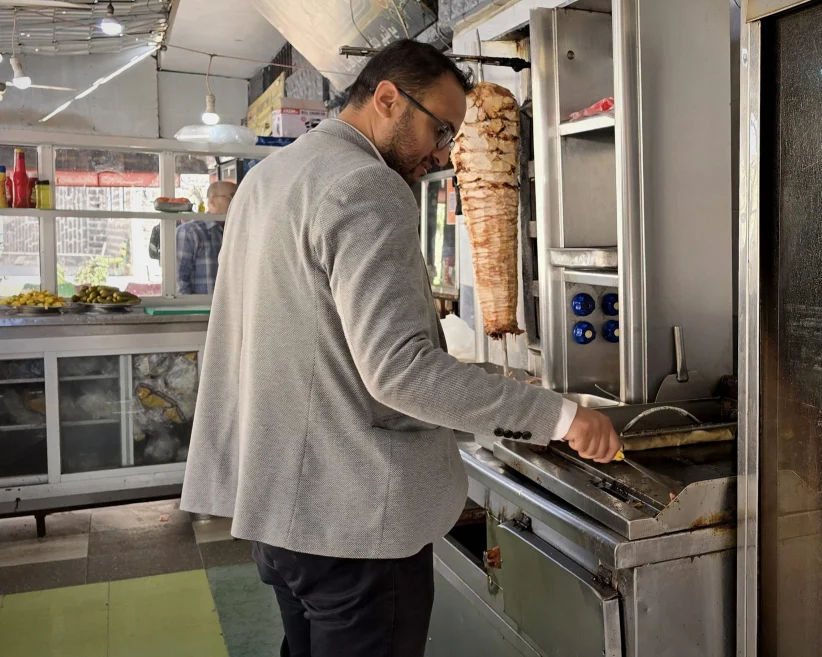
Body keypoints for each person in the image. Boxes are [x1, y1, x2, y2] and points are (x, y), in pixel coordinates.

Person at [180, 40, 621, 657]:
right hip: (354, 523)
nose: (442, 153)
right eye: (440, 129)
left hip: (276, 511)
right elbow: (399, 371)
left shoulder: (267, 178)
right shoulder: (367, 185)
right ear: (386, 98)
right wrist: (562, 416)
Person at [175, 180, 237, 294]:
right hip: (201, 305)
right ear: (212, 201)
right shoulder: (190, 232)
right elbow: (178, 282)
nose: (237, 202)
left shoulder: (239, 232)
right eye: (232, 197)